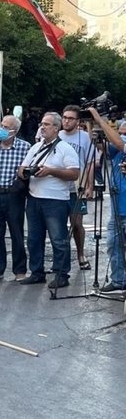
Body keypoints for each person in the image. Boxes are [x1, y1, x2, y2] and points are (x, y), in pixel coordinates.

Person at [19, 112, 80, 289]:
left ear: (56, 128)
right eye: (41, 124)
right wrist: (24, 172)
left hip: (55, 201)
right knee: (34, 239)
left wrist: (51, 171)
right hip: (34, 198)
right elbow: (22, 167)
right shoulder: (36, 147)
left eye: (46, 124)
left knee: (58, 239)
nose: (42, 127)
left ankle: (62, 275)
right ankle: (37, 272)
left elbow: (74, 173)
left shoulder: (65, 149)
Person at [0, 115, 31, 282]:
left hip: (14, 194)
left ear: (14, 131)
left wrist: (18, 185)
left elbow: (27, 171)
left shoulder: (25, 148)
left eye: (6, 127)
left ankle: (20, 270)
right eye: (1, 125)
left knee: (16, 232)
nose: (1, 130)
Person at [88, 107, 126, 293]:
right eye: (121, 131)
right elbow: (104, 147)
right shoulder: (120, 148)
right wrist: (91, 125)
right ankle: (118, 280)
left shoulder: (122, 144)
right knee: (113, 245)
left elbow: (118, 143)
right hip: (117, 208)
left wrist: (99, 118)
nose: (122, 134)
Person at [60, 105, 94, 271]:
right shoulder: (57, 135)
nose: (66, 121)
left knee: (77, 223)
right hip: (58, 188)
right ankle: (61, 260)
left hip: (77, 187)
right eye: (64, 117)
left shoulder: (85, 137)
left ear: (78, 121)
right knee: (58, 225)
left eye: (70, 118)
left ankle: (81, 254)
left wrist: (90, 186)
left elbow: (90, 162)